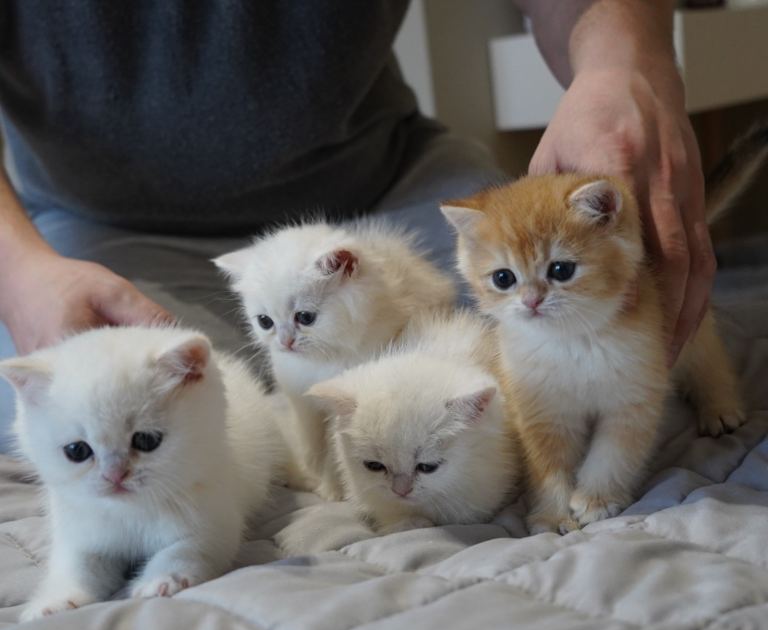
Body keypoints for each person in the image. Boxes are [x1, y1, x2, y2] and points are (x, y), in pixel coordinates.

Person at [0, 0, 715, 448]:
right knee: (191, 431)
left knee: (529, 371)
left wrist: (622, 63)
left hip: (391, 179)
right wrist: (19, 273)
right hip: (93, 234)